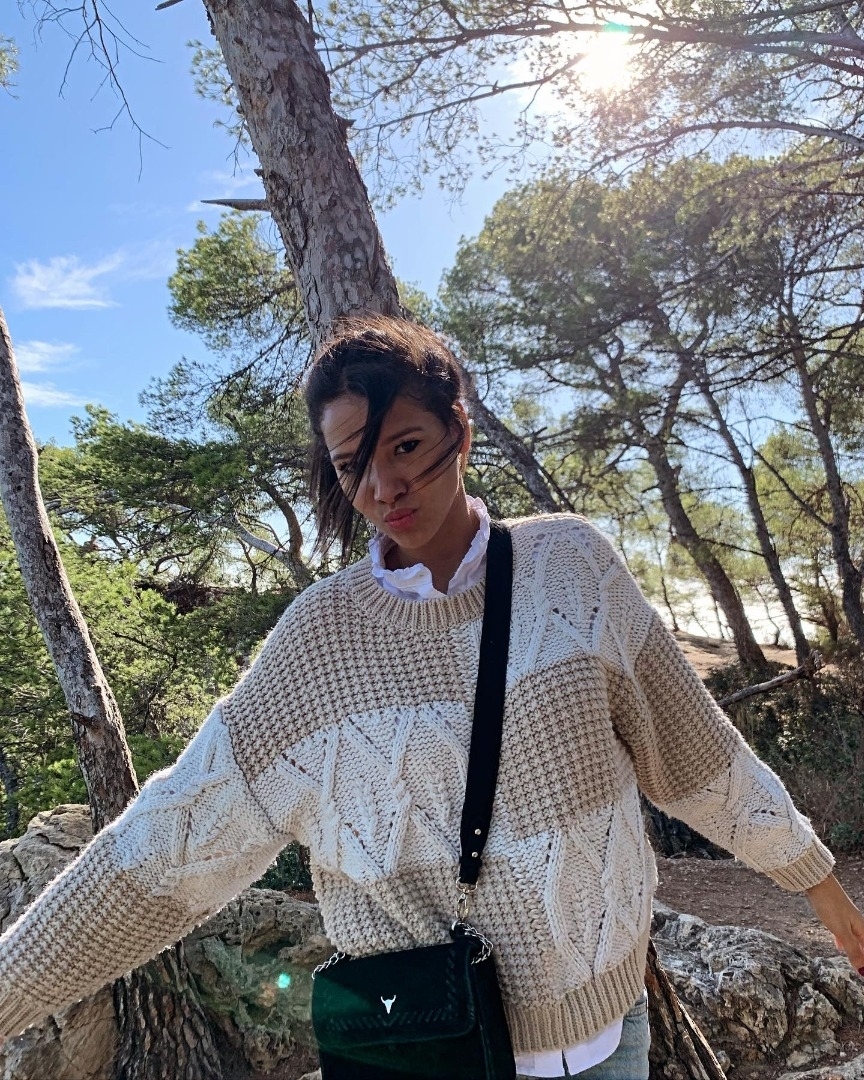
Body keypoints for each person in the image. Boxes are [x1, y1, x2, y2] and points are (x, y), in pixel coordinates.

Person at [0, 314, 862, 1080]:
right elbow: (163, 847)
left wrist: (817, 882)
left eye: (405, 446)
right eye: (353, 465)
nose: (383, 487)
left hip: (609, 1039)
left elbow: (698, 758)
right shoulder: (317, 643)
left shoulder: (572, 569)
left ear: (461, 429)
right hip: (418, 1047)